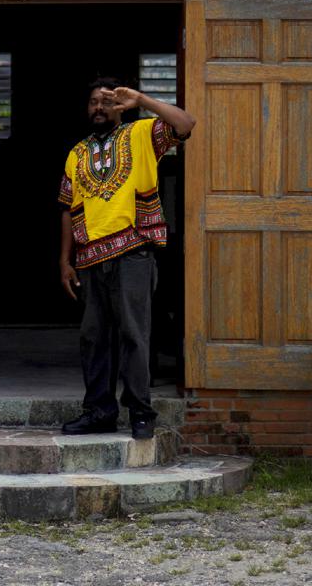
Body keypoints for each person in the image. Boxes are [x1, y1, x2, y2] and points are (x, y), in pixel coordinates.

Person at [57, 77, 195, 440]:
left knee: (134, 335)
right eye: (93, 102)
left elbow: (185, 124)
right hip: (89, 260)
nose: (99, 108)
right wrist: (64, 260)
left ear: (121, 106)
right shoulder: (78, 152)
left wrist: (141, 99)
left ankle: (140, 411)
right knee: (94, 339)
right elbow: (68, 209)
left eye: (107, 101)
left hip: (133, 253)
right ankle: (99, 411)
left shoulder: (143, 134)